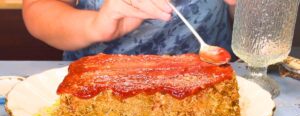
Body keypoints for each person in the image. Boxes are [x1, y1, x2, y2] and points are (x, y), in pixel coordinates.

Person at [23, 0, 236, 60]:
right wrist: (95, 25)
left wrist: (244, 7)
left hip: (210, 73)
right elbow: (38, 7)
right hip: (95, 83)